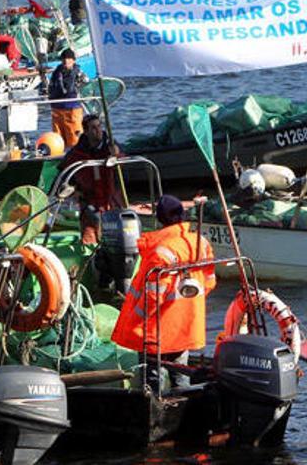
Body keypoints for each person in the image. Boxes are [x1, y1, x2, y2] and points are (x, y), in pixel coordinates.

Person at [111, 195, 216, 388]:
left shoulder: (159, 251)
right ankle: (184, 411)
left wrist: (135, 323)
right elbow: (209, 283)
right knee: (181, 377)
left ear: (159, 219)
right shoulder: (201, 244)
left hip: (157, 330)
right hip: (186, 325)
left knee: (153, 382)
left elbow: (152, 296)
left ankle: (156, 413)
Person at [59, 114, 124, 244]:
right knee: (89, 239)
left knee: (116, 238)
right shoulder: (77, 153)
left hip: (111, 202)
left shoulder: (110, 147)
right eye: (93, 128)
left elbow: (123, 165)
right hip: (89, 203)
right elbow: (63, 176)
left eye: (99, 126)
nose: (98, 130)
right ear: (86, 131)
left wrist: (118, 155)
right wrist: (73, 191)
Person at [49, 48, 88, 148]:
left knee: (75, 139)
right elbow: (51, 87)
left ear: (73, 60)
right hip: (56, 110)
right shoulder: (56, 73)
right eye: (64, 59)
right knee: (58, 140)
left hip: (72, 109)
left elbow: (87, 88)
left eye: (69, 58)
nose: (66, 61)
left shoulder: (79, 74)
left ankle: (78, 153)